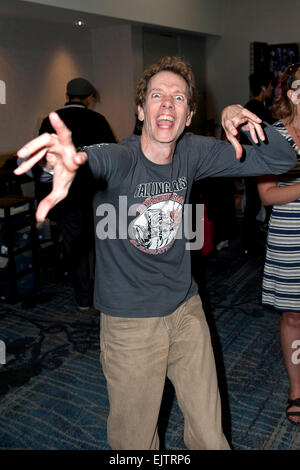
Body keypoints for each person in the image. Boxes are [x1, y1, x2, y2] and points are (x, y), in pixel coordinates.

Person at [15, 56, 297, 449]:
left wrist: (248, 120)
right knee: (135, 443)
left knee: (211, 437)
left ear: (189, 115)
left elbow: (284, 159)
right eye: (157, 96)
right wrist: (57, 163)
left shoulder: (193, 152)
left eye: (178, 98)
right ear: (140, 110)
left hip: (185, 308)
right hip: (130, 322)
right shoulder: (121, 157)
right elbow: (83, 160)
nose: (167, 104)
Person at [37, 77, 116, 310]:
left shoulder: (50, 121)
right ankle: (108, 294)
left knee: (76, 247)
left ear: (67, 95)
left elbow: (43, 161)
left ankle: (83, 299)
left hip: (67, 195)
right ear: (90, 97)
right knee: (105, 244)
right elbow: (112, 156)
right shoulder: (97, 120)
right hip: (97, 194)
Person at [258, 63, 300, 426]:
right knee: (293, 315)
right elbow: (268, 195)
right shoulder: (272, 135)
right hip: (289, 235)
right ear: (291, 91)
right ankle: (296, 389)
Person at [241, 70, 275, 255]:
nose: (272, 89)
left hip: (251, 162)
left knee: (254, 202)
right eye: (270, 85)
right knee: (256, 202)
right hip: (256, 162)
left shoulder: (249, 107)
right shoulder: (259, 110)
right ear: (263, 87)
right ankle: (249, 244)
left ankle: (249, 243)